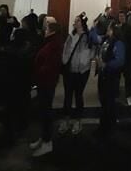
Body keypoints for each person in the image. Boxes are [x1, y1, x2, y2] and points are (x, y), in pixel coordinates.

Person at [29, 22, 64, 157]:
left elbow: (49, 65)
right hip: (45, 82)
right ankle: (43, 138)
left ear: (51, 31)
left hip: (46, 82)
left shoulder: (53, 45)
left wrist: (37, 75)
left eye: (46, 28)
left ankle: (47, 142)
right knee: (43, 111)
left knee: (46, 111)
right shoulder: (51, 42)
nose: (44, 30)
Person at [59, 15, 96, 135]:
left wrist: (86, 62)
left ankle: (78, 121)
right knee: (68, 95)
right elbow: (65, 49)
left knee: (78, 95)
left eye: (78, 20)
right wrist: (65, 61)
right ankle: (66, 120)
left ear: (82, 23)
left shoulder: (87, 36)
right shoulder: (71, 36)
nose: (75, 22)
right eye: (75, 21)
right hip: (70, 70)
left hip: (82, 71)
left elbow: (92, 49)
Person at [95, 24, 126, 136]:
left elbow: (120, 60)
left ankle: (108, 127)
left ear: (113, 31)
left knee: (109, 101)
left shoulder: (118, 43)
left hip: (111, 76)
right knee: (104, 100)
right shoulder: (106, 40)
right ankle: (105, 124)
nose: (107, 30)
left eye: (109, 29)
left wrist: (105, 64)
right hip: (103, 75)